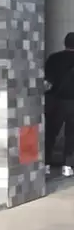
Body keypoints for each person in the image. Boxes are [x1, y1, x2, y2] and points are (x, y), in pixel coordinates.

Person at [44, 32, 74, 176]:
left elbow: (47, 81)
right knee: (71, 135)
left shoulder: (53, 58)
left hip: (55, 101)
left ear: (65, 43)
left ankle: (45, 164)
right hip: (72, 102)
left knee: (50, 133)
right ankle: (67, 166)